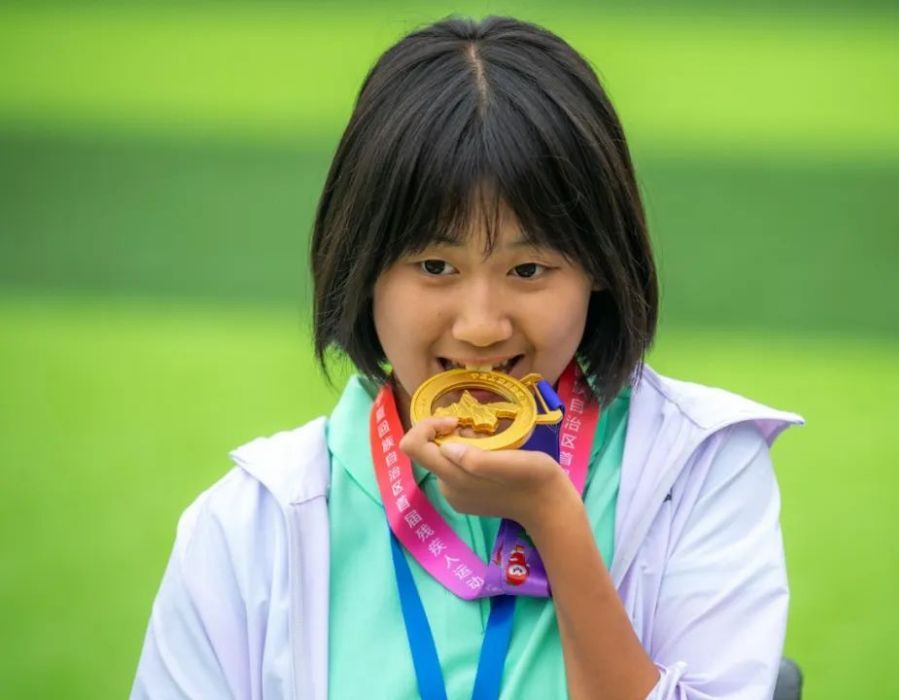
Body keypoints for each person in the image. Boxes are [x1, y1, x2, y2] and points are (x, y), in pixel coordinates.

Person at [132, 15, 802, 700]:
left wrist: (555, 523)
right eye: (434, 264)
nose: (481, 327)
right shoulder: (252, 521)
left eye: (530, 268)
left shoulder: (700, 467)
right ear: (362, 268)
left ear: (600, 265)